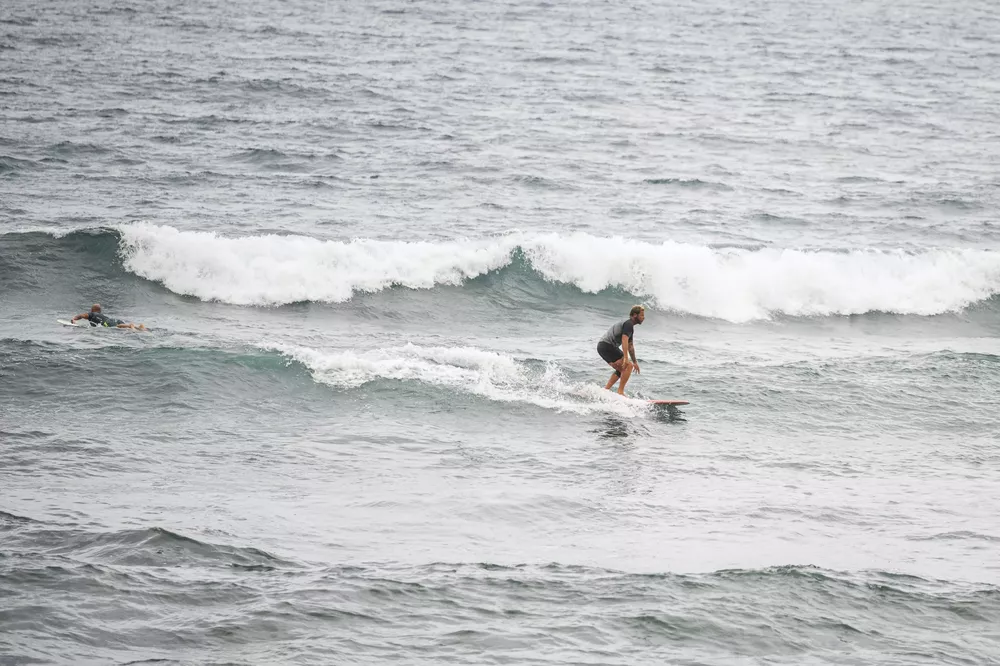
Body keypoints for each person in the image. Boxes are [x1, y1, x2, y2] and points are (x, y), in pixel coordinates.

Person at [597, 305, 644, 395]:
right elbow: (624, 340)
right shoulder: (628, 324)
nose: (643, 318)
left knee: (622, 368)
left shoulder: (629, 326)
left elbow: (630, 346)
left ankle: (606, 390)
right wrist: (626, 358)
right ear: (635, 315)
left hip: (603, 347)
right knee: (628, 366)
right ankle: (620, 392)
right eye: (641, 315)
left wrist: (635, 362)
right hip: (607, 346)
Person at [71, 304, 147, 330]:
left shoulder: (92, 314)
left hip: (106, 322)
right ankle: (139, 327)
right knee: (123, 328)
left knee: (118, 326)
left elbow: (81, 315)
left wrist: (74, 319)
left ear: (92, 309)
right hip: (113, 320)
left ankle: (131, 325)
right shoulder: (101, 315)